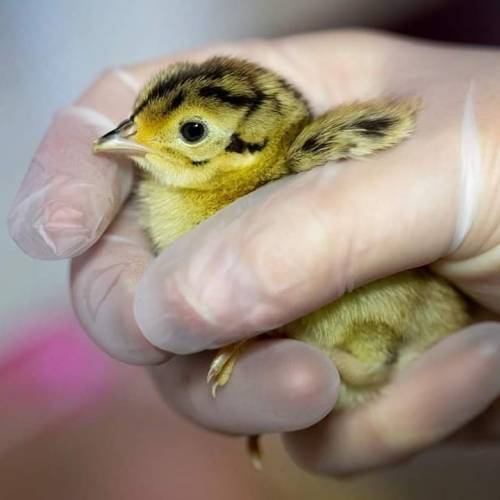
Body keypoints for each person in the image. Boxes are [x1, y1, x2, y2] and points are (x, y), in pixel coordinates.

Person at [8, 30, 500, 476]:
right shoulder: (176, 194)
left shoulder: (273, 177)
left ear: (245, 151)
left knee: (344, 362)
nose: (127, 135)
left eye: (192, 132)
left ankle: (351, 358)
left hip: (404, 323)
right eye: (136, 121)